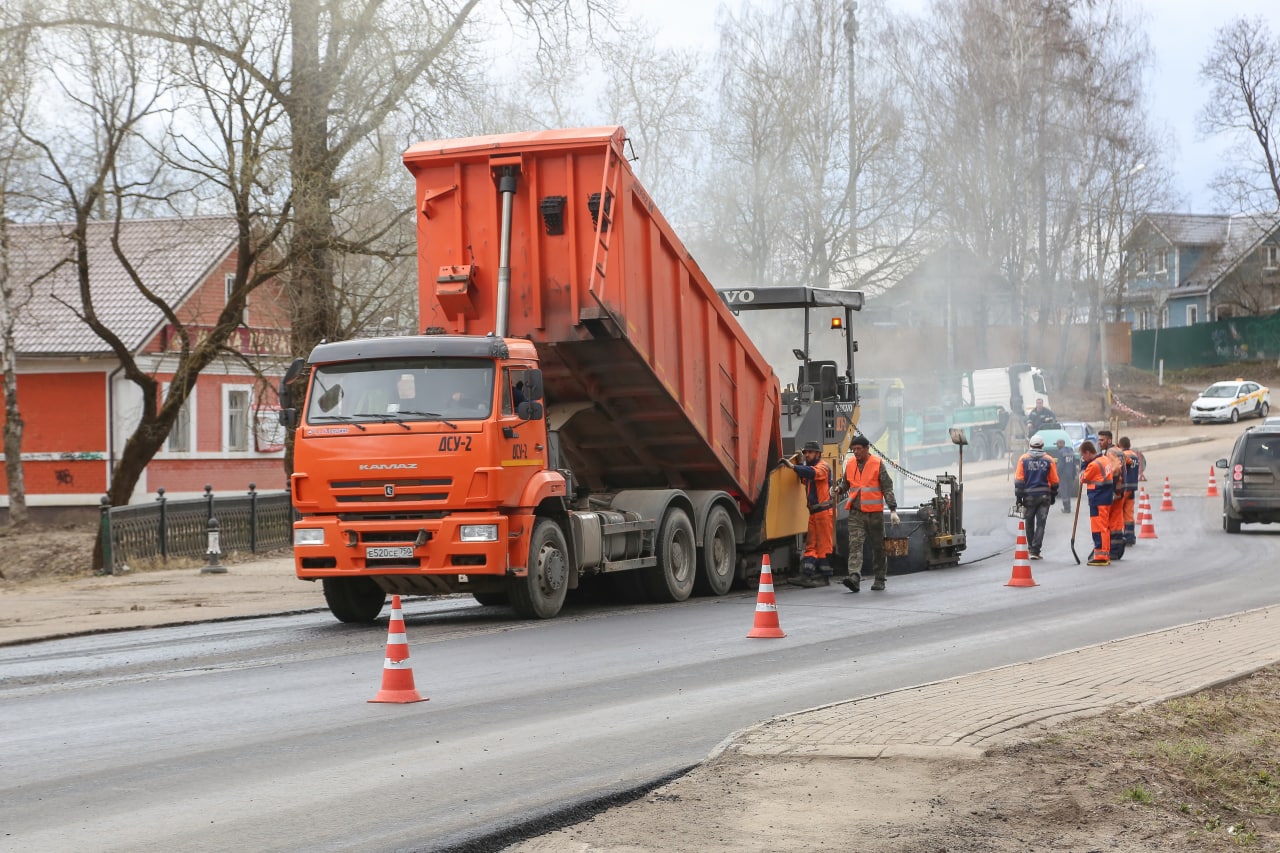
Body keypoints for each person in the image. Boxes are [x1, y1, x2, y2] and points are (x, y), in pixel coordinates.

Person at [838, 434, 899, 593]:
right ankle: (854, 577)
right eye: (853, 449)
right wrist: (839, 489)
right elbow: (846, 483)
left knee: (878, 547)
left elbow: (887, 487)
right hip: (856, 513)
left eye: (859, 449)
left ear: (866, 449)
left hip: (874, 514)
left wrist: (893, 509)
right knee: (855, 544)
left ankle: (880, 578)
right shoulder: (850, 464)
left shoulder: (877, 464)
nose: (856, 452)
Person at [779, 441, 835, 588]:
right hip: (815, 513)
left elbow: (811, 473)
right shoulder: (811, 468)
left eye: (810, 452)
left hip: (823, 512)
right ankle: (806, 574)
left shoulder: (823, 467)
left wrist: (793, 466)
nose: (807, 455)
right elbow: (805, 477)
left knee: (823, 546)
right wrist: (799, 464)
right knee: (811, 545)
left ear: (818, 454)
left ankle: (824, 577)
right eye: (805, 453)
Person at [1014, 434, 1059, 559]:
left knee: (1029, 522)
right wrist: (1053, 495)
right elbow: (1055, 481)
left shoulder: (1023, 459)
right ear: (1042, 445)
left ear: (1030, 445)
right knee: (1041, 523)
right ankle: (1036, 550)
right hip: (1044, 497)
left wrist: (1019, 498)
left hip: (1029, 497)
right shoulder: (1049, 459)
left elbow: (1019, 481)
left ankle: (1030, 548)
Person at [1078, 440, 1114, 566]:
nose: (1083, 458)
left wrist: (1083, 466)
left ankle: (1101, 556)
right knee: (1104, 527)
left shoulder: (1093, 465)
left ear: (1088, 453)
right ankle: (1105, 553)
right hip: (1105, 498)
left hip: (1098, 498)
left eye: (1083, 455)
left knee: (1098, 528)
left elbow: (1083, 478)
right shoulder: (1105, 459)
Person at [1096, 430, 1127, 560]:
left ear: (1109, 440)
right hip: (1121, 489)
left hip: (1115, 490)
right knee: (1116, 520)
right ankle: (1116, 549)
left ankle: (1112, 549)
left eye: (1102, 440)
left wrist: (1112, 489)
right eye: (1098, 440)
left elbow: (1115, 470)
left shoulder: (1110, 453)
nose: (1099, 442)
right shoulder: (1118, 451)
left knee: (1111, 521)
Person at [1117, 436, 1141, 546]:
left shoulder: (1123, 455)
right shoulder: (1135, 456)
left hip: (1124, 487)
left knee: (1118, 511)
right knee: (1129, 513)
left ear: (1120, 445)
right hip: (1132, 487)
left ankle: (1118, 536)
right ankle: (1130, 537)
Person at [1051, 438, 1078, 514]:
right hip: (1070, 475)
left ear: (1061, 444)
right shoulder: (1071, 451)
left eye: (1057, 444)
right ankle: (1068, 507)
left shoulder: (1061, 452)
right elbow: (1074, 464)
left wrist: (1056, 474)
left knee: (1064, 492)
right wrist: (1074, 474)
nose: (1057, 446)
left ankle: (1066, 508)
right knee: (1068, 492)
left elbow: (1060, 465)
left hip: (1063, 476)